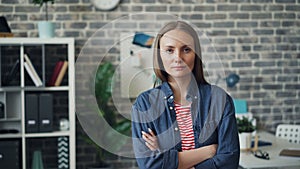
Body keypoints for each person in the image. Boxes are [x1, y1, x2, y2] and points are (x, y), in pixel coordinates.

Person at [131, 20, 240, 169]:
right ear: (159, 56)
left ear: (196, 54)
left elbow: (229, 161)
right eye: (169, 50)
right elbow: (150, 165)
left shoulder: (220, 100)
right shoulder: (144, 104)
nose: (178, 57)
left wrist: (168, 157)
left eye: (186, 49)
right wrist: (210, 151)